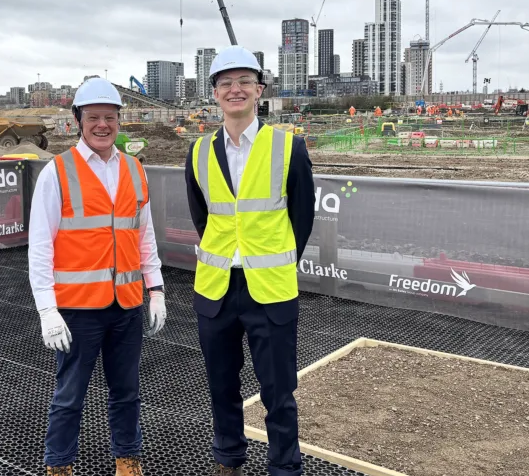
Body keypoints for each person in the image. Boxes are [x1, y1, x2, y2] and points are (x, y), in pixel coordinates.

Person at [184, 46, 315, 476]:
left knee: (278, 391)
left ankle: (284, 467)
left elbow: (302, 218)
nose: (234, 89)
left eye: (244, 81)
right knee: (221, 386)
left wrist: (272, 261)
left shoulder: (288, 147)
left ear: (259, 90)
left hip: (270, 290)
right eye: (225, 82)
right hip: (217, 289)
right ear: (215, 93)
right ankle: (229, 459)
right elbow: (203, 218)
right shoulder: (199, 152)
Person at [28, 77, 168, 476]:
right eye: (94, 118)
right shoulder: (57, 173)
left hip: (125, 306)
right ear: (78, 120)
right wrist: (47, 311)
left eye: (110, 117)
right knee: (69, 395)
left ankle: (128, 460)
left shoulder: (134, 170)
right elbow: (40, 246)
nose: (102, 125)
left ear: (119, 121)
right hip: (77, 310)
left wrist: (155, 289)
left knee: (126, 392)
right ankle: (59, 466)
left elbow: (145, 237)